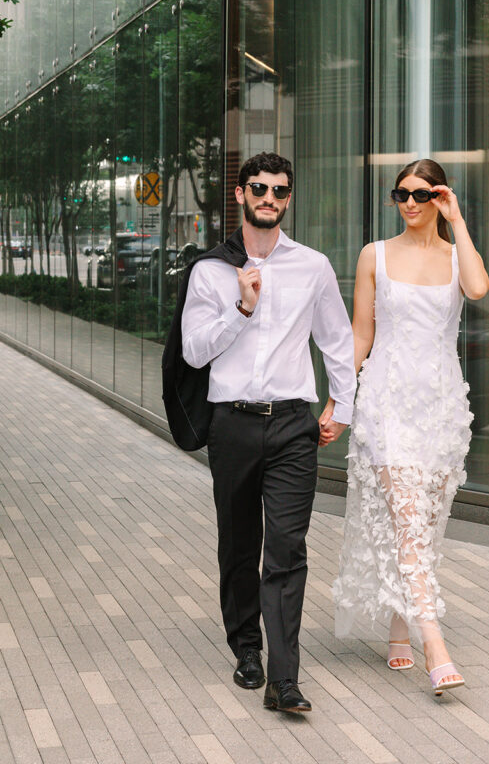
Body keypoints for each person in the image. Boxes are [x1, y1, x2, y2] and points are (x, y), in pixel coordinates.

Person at [181, 152, 356, 714]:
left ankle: (285, 677)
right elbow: (193, 350)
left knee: (286, 548)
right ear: (239, 193)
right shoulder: (210, 270)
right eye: (259, 187)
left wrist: (341, 407)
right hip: (231, 422)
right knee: (238, 543)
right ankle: (246, 648)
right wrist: (242, 307)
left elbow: (338, 341)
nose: (269, 198)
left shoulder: (313, 266)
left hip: (291, 426)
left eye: (279, 190)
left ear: (288, 199)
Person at [329, 158, 489, 696]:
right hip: (386, 405)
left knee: (429, 523)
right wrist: (337, 401)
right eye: (402, 194)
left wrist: (459, 222)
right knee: (406, 523)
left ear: (440, 197)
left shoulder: (453, 256)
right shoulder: (373, 254)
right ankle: (434, 646)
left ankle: (400, 623)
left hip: (443, 408)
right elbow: (360, 335)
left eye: (423, 193)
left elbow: (479, 287)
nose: (412, 203)